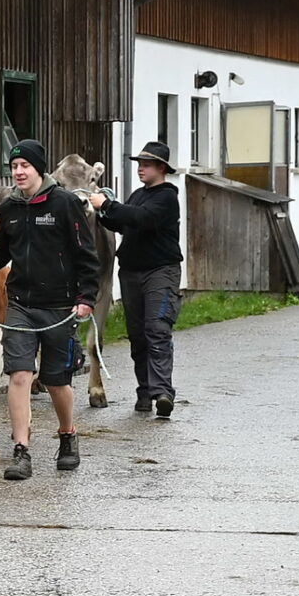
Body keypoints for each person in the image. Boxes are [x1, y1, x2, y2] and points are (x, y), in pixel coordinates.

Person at [0, 139, 97, 480]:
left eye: (24, 166)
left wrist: (86, 298)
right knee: (19, 375)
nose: (18, 172)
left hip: (59, 306)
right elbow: (1, 254)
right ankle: (22, 450)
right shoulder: (11, 208)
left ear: (39, 168)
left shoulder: (65, 204)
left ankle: (67, 435)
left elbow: (86, 255)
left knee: (57, 381)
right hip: (21, 306)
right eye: (14, 167)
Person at [91, 140, 183, 420]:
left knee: (156, 329)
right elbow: (122, 222)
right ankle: (145, 392)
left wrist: (108, 203)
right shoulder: (137, 195)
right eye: (139, 164)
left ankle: (162, 392)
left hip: (160, 272)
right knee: (138, 336)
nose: (141, 168)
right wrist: (101, 212)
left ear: (161, 168)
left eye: (147, 164)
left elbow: (142, 218)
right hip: (131, 273)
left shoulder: (166, 197)